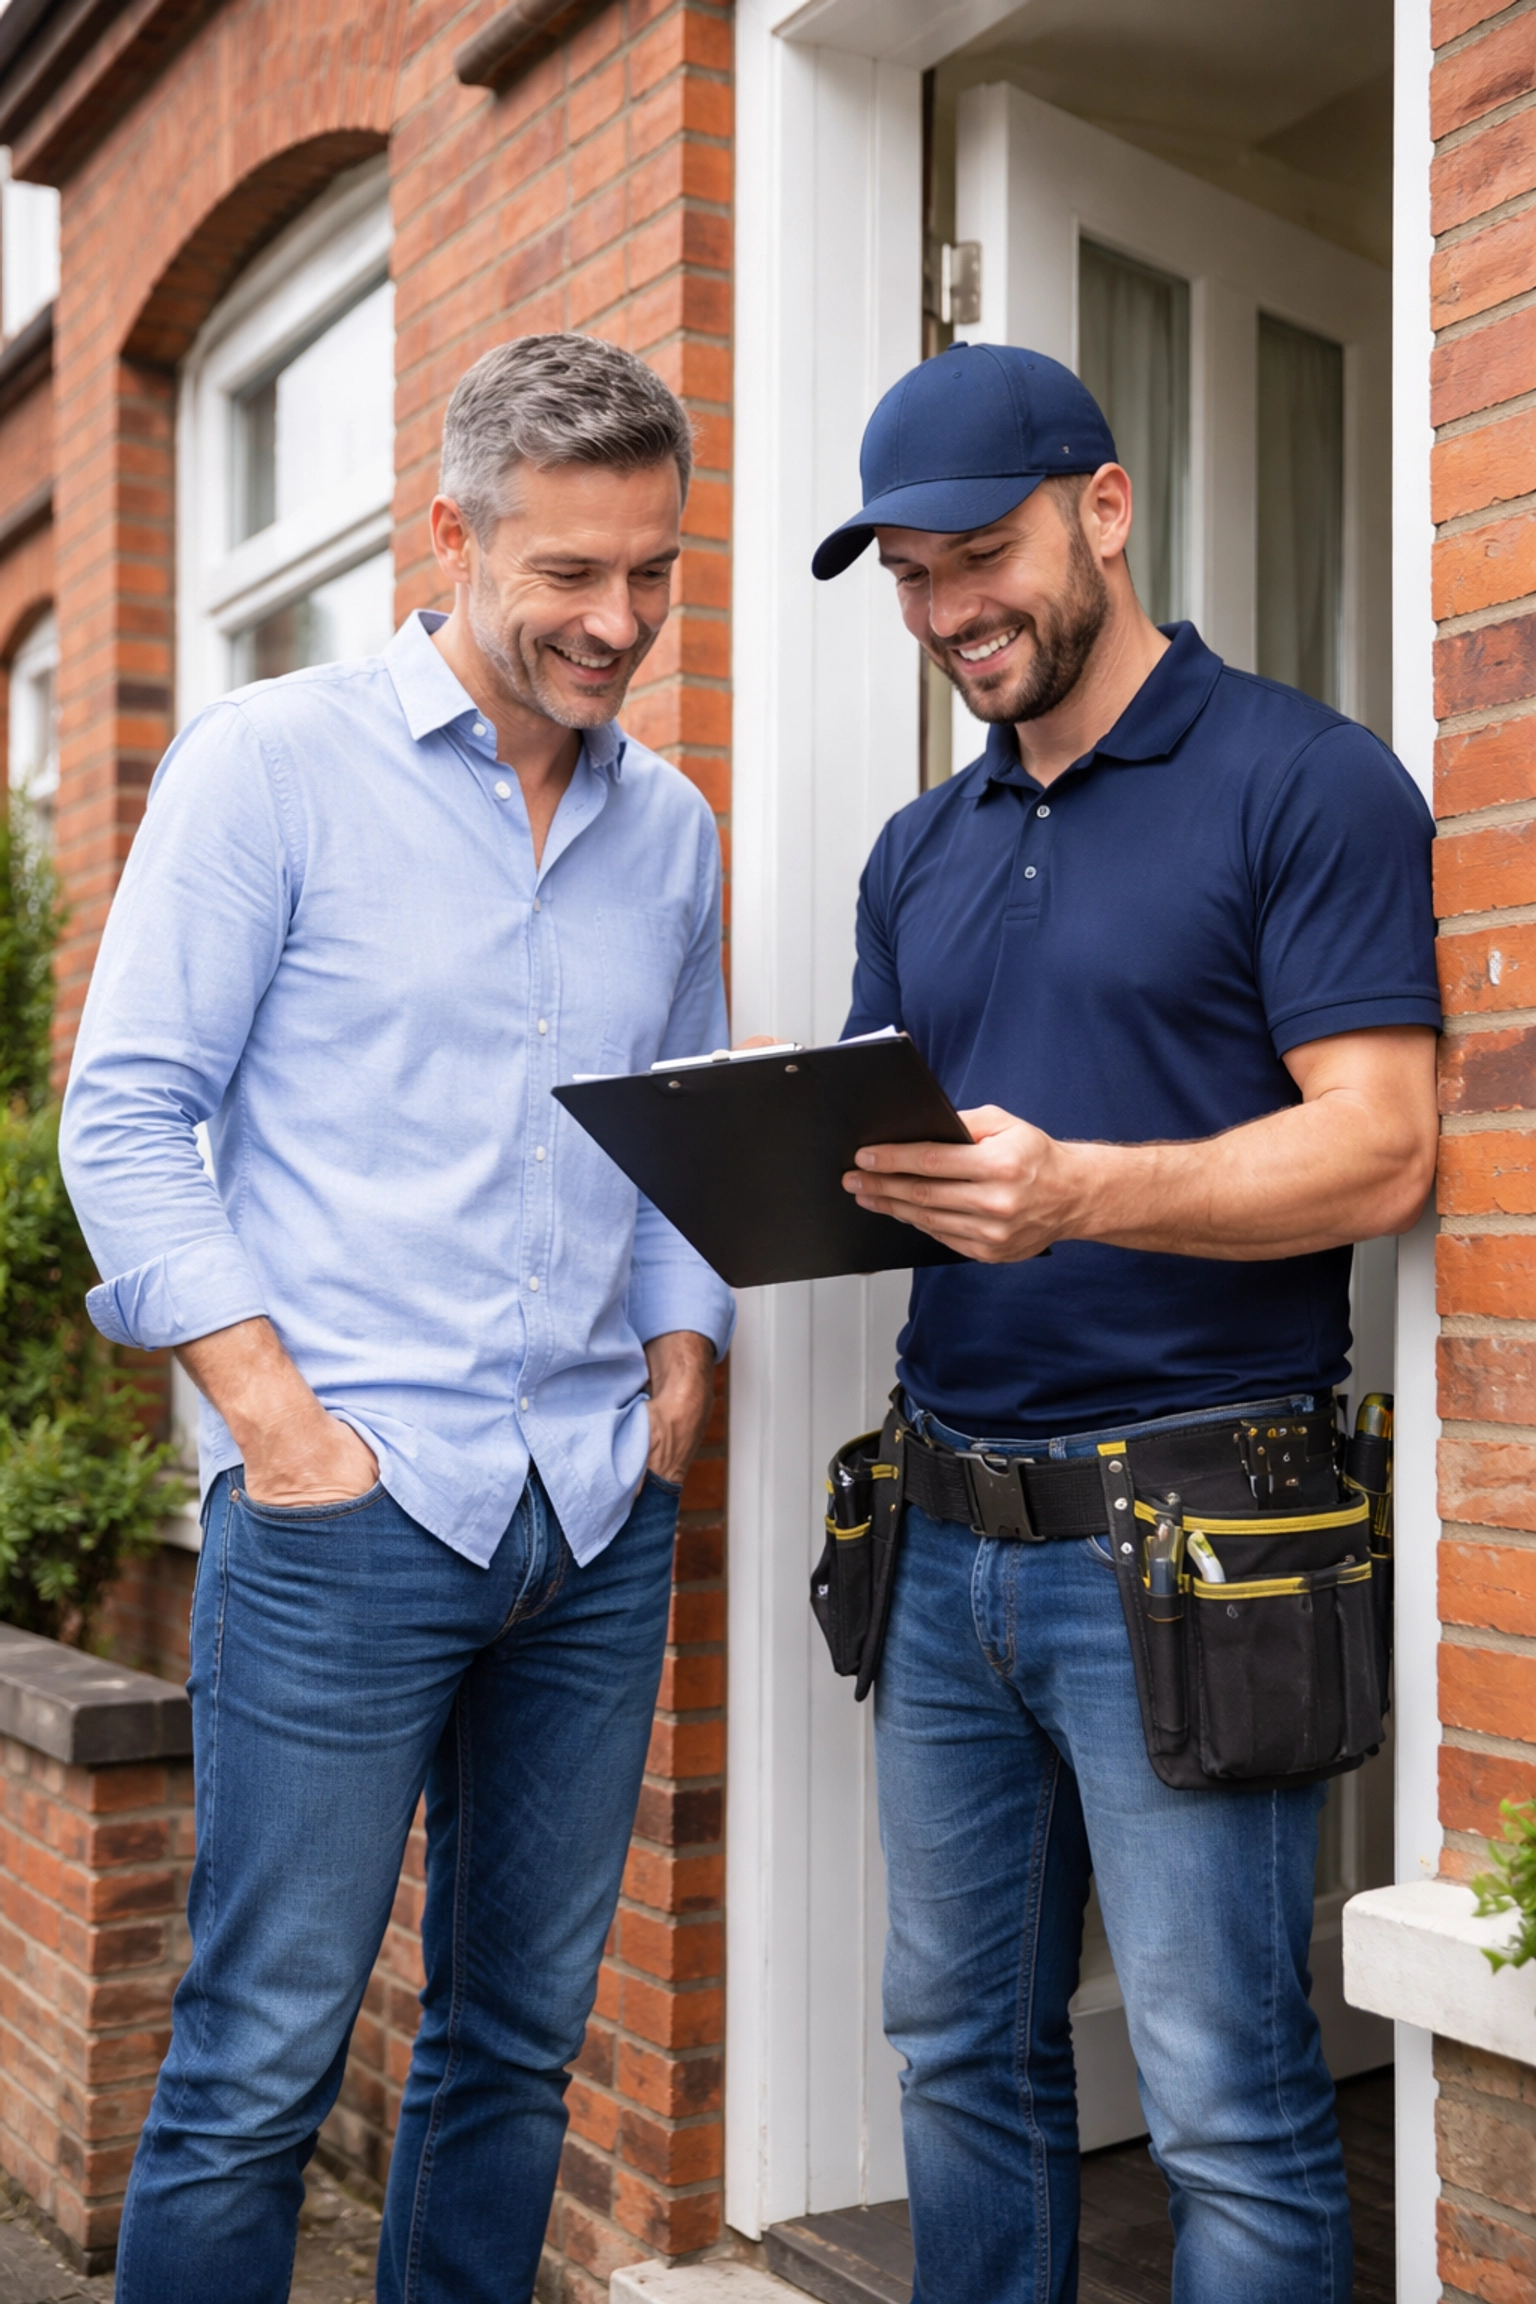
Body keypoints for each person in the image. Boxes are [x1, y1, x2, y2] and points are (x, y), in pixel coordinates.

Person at [60, 333, 733, 2304]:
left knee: (516, 2052)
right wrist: (278, 1425)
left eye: (654, 575)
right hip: (349, 1513)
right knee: (259, 2067)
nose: (619, 622)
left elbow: (683, 1112)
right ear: (450, 537)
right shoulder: (272, 767)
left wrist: (681, 1350)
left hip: (597, 1517)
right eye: (572, 578)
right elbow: (127, 1114)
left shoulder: (671, 829)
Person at [812, 343, 1439, 2304]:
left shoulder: (1304, 780)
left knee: (1227, 2102)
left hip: (1197, 1545)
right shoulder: (916, 849)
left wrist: (1083, 1187)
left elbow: (1384, 1151)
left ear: (1105, 508)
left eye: (976, 554)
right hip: (941, 1546)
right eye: (907, 576)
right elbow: (883, 1143)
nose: (945, 611)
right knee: (957, 2053)